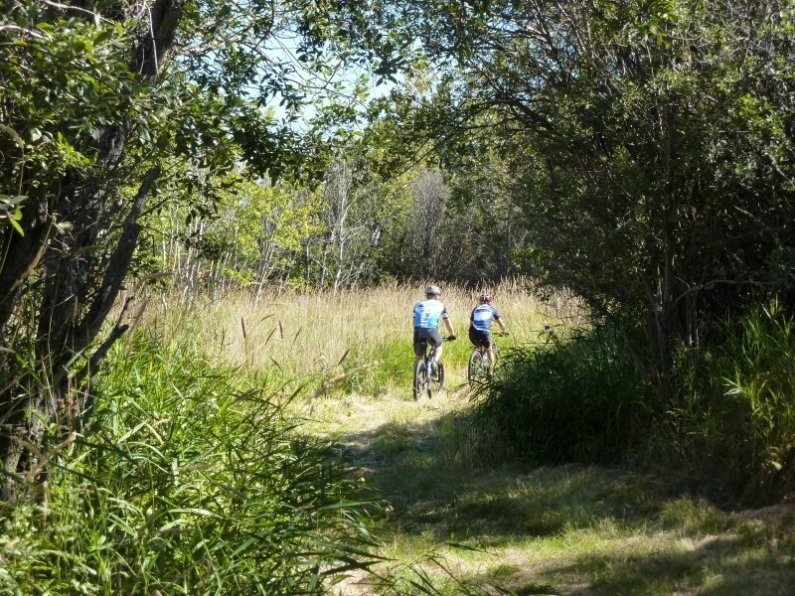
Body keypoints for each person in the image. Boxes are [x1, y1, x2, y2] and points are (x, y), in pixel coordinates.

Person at [413, 285, 456, 375]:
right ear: (437, 296)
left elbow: (414, 322)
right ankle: (434, 363)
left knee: (419, 356)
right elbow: (447, 322)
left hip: (418, 331)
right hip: (431, 329)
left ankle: (416, 381)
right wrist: (452, 334)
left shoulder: (418, 305)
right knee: (438, 346)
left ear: (426, 295)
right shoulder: (441, 305)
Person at [468, 293, 508, 374]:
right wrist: (504, 331)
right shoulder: (492, 309)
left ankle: (475, 359)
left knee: (478, 345)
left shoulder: (475, 309)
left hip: (472, 332)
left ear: (480, 301)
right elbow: (501, 324)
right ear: (490, 301)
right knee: (489, 350)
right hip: (485, 331)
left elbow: (471, 324)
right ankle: (490, 372)